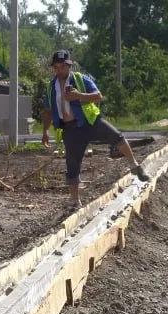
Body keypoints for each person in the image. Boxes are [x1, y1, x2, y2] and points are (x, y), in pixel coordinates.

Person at [40, 51, 149, 208]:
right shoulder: (51, 87)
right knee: (72, 163)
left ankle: (134, 166)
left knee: (116, 136)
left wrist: (79, 95)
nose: (59, 70)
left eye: (62, 66)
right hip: (70, 129)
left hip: (89, 122)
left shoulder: (80, 79)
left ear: (69, 66)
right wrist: (44, 132)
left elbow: (98, 96)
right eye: (56, 67)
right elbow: (48, 110)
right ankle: (75, 201)